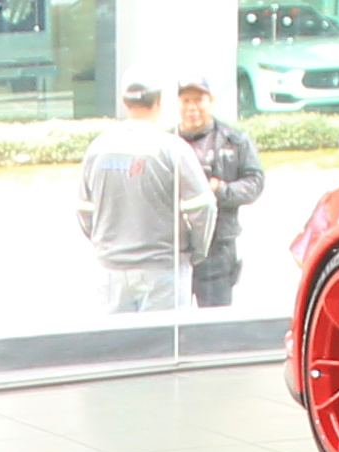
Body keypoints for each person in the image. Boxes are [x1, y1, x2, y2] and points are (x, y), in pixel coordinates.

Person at [79, 80, 215, 315]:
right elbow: (204, 207)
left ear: (124, 102)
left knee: (116, 337)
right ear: (158, 102)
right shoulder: (173, 148)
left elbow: (84, 209)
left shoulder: (97, 148)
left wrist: (108, 245)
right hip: (163, 270)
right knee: (162, 338)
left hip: (112, 271)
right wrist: (196, 251)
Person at [174, 80, 266, 311]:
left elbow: (254, 184)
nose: (192, 107)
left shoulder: (234, 140)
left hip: (218, 247)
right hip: (174, 247)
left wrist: (220, 189)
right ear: (178, 104)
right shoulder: (166, 143)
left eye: (198, 100)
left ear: (211, 101)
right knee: (171, 324)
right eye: (186, 101)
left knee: (215, 322)